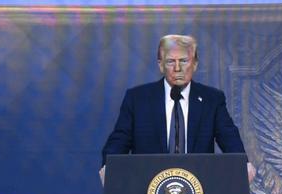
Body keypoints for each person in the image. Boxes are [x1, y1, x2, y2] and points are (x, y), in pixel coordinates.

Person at [99, 34, 256, 185]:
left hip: (199, 187)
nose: (177, 68)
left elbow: (229, 136)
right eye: (170, 62)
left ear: (195, 64)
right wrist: (109, 165)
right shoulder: (138, 99)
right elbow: (120, 139)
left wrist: (243, 163)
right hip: (147, 186)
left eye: (184, 61)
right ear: (160, 65)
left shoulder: (211, 99)